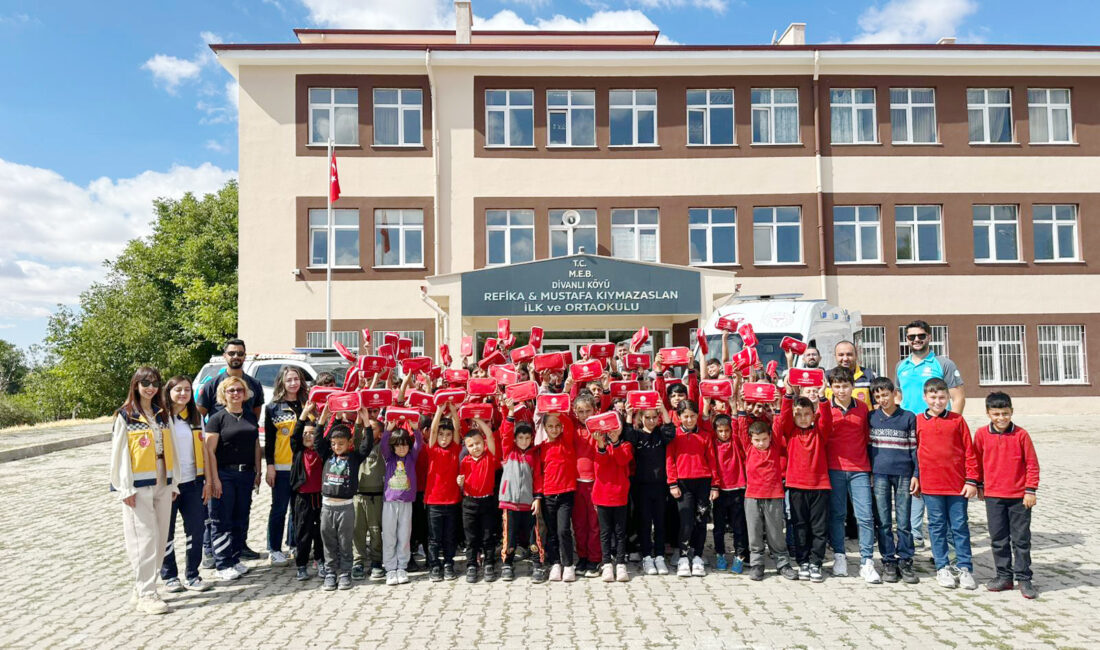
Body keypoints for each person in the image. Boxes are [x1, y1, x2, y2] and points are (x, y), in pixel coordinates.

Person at [110, 367, 182, 615]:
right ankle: (147, 594)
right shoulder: (126, 415)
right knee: (144, 540)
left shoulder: (163, 414)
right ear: (136, 385)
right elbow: (119, 454)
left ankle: (143, 586)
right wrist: (125, 487)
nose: (150, 387)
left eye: (154, 383)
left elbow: (173, 447)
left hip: (163, 480)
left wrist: (174, 482)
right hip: (138, 486)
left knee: (161, 538)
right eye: (145, 382)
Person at [895, 320, 965, 550]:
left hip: (936, 431)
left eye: (921, 336)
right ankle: (915, 533)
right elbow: (898, 396)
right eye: (911, 336)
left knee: (937, 481)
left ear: (929, 337)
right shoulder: (901, 366)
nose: (916, 340)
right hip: (909, 432)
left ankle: (946, 537)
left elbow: (958, 397)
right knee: (913, 481)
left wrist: (950, 426)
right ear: (906, 340)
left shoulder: (943, 363)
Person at [197, 339, 264, 565]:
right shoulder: (211, 384)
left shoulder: (253, 385)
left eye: (241, 353)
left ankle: (239, 547)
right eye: (232, 352)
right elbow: (199, 417)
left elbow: (254, 420)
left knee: (240, 511)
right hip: (221, 461)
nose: (236, 356)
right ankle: (210, 550)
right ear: (225, 355)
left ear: (245, 356)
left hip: (244, 462)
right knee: (216, 512)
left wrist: (258, 468)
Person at [974, 391, 1040, 599]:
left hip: (1019, 497)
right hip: (993, 496)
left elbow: (1032, 464)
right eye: (996, 414)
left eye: (1005, 413)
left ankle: (1024, 578)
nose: (1001, 418)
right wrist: (979, 485)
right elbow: (976, 462)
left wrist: (1030, 490)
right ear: (988, 414)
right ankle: (1004, 576)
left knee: (1021, 539)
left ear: (1012, 412)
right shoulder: (982, 435)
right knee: (998, 539)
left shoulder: (1021, 435)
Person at [916, 377, 979, 590]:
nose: (938, 401)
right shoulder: (917, 421)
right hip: (931, 486)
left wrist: (971, 480)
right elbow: (914, 454)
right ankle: (942, 566)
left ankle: (964, 567)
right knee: (937, 527)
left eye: (942, 397)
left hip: (957, 485)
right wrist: (916, 477)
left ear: (948, 398)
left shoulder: (957, 421)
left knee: (959, 527)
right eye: (933, 397)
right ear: (925, 397)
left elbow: (969, 452)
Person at [203, 375, 262, 582]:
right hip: (224, 474)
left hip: (245, 474)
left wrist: (258, 471)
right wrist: (214, 480)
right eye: (231, 390)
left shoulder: (249, 416)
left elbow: (255, 444)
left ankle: (235, 559)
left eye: (239, 390)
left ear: (245, 394)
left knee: (240, 518)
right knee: (221, 519)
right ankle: (223, 564)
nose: (236, 394)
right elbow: (209, 451)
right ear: (223, 394)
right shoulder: (217, 418)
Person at [824, 366, 877, 583]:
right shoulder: (825, 407)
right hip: (835, 468)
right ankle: (840, 556)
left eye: (845, 386)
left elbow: (868, 438)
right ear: (831, 388)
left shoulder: (863, 408)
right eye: (837, 386)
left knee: (865, 516)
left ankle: (867, 561)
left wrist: (871, 468)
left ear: (852, 387)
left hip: (859, 469)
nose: (841, 390)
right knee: (837, 515)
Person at [159, 375, 211, 593]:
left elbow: (205, 451)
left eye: (187, 390)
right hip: (169, 485)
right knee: (166, 532)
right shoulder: (160, 418)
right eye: (178, 389)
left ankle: (192, 574)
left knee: (196, 531)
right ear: (168, 391)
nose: (183, 394)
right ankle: (170, 575)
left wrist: (208, 481)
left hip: (194, 483)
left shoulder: (196, 417)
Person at [314, 407, 376, 591]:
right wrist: (324, 417)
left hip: (346, 508)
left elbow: (367, 444)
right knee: (329, 541)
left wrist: (366, 421)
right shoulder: (327, 455)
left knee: (345, 542)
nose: (336, 447)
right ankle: (330, 573)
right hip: (327, 507)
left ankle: (345, 574)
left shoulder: (354, 458)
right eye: (333, 444)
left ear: (349, 443)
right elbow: (318, 440)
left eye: (340, 444)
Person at [776, 383, 832, 583]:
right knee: (799, 526)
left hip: (819, 486)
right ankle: (803, 561)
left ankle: (816, 561)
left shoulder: (820, 432)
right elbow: (783, 417)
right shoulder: (790, 431)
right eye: (798, 414)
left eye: (807, 414)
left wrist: (823, 399)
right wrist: (789, 394)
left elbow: (827, 420)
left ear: (813, 414)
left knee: (818, 527)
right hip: (796, 486)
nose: (802, 418)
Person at [867, 376, 919, 584]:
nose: (882, 399)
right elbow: (868, 447)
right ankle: (888, 560)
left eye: (885, 394)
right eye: (878, 396)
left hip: (904, 474)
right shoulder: (871, 417)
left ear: (894, 393)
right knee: (884, 520)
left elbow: (915, 449)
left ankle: (905, 559)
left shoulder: (908, 417)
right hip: (879, 473)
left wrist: (916, 474)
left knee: (904, 521)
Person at [666, 399, 718, 578]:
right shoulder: (674, 435)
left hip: (703, 482)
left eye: (693, 416)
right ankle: (682, 556)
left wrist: (715, 485)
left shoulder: (705, 435)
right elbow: (670, 460)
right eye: (685, 416)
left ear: (697, 416)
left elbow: (712, 460)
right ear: (678, 417)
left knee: (701, 520)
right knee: (686, 520)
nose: (689, 420)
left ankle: (697, 556)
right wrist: (672, 483)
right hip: (683, 484)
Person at [740, 420, 796, 581]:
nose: (761, 443)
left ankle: (783, 563)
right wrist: (740, 409)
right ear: (750, 439)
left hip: (774, 495)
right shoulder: (749, 448)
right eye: (757, 440)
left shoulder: (774, 447)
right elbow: (741, 428)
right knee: (754, 532)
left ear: (770, 437)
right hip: (752, 496)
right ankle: (757, 564)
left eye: (764, 439)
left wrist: (778, 409)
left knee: (776, 532)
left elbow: (778, 426)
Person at [623, 401, 674, 576]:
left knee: (660, 522)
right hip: (641, 487)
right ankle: (646, 557)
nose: (651, 421)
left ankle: (659, 556)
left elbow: (670, 430)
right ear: (641, 418)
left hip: (660, 486)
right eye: (648, 417)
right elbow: (628, 435)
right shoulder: (637, 435)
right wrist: (629, 414)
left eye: (654, 417)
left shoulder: (661, 434)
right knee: (644, 523)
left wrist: (663, 409)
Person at [263, 365, 304, 568]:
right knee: (279, 509)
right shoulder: (273, 407)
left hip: (303, 467)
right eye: (289, 380)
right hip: (281, 467)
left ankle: (294, 544)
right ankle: (274, 549)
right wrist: (270, 466)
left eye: (296, 379)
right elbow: (269, 441)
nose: (293, 383)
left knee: (298, 509)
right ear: (282, 382)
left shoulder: (308, 404)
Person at [498, 407, 545, 582]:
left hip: (528, 503)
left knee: (534, 536)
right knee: (509, 537)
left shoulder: (534, 456)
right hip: (509, 503)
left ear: (532, 438)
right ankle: (507, 564)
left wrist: (537, 498)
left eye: (527, 438)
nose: (524, 441)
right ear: (515, 439)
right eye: (520, 438)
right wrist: (510, 415)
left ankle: (537, 565)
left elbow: (538, 478)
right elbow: (505, 435)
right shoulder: (509, 452)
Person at [534, 410, 578, 582]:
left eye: (557, 426)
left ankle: (568, 565)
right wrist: (538, 496)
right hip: (548, 495)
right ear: (544, 428)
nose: (554, 429)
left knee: (564, 530)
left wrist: (556, 411)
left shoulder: (566, 442)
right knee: (551, 532)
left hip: (566, 493)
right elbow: (538, 475)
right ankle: (555, 563)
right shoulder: (541, 448)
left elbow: (569, 424)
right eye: (550, 426)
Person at [380, 420, 423, 586]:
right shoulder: (389, 457)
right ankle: (390, 568)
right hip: (390, 502)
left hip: (406, 502)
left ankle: (402, 567)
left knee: (404, 535)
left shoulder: (412, 457)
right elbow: (384, 445)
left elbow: (418, 443)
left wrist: (415, 428)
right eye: (398, 446)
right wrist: (388, 430)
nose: (401, 449)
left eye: (405, 445)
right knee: (389, 535)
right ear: (393, 447)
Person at [591, 415, 633, 582]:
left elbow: (622, 460)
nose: (613, 431)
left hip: (620, 495)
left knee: (621, 532)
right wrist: (601, 445)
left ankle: (621, 563)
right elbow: (600, 463)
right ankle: (607, 563)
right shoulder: (598, 445)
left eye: (616, 427)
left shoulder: (626, 445)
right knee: (605, 532)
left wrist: (615, 443)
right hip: (602, 495)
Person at [425, 405, 463, 582]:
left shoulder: (455, 449)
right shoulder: (432, 449)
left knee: (449, 536)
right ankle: (434, 566)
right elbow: (433, 429)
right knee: (434, 537)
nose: (444, 438)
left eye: (447, 435)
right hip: (434, 501)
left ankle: (448, 563)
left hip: (452, 500)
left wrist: (453, 409)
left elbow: (457, 427)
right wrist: (440, 409)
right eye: (441, 435)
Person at [459, 418, 499, 583]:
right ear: (466, 448)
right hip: (469, 503)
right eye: (471, 445)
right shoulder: (465, 462)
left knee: (488, 535)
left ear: (483, 443)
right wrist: (460, 484)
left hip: (487, 502)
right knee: (471, 537)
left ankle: (489, 563)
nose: (475, 447)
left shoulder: (489, 457)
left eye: (478, 443)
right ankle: (471, 565)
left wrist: (477, 420)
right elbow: (463, 483)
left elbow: (489, 435)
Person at [288, 402, 324, 581]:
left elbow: (322, 433)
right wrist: (303, 414)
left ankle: (321, 561)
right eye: (305, 434)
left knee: (321, 532)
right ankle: (301, 565)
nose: (308, 436)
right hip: (303, 498)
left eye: (312, 433)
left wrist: (321, 417)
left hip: (321, 497)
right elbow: (295, 435)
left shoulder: (322, 451)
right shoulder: (299, 451)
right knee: (303, 531)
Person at [710, 413, 748, 574]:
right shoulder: (712, 445)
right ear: (715, 431)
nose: (724, 434)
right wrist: (714, 486)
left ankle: (740, 556)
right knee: (718, 527)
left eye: (727, 430)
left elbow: (741, 430)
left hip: (738, 490)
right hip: (719, 492)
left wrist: (735, 410)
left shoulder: (735, 441)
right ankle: (720, 554)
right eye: (720, 431)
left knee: (739, 527)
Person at [569, 394, 602, 578]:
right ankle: (582, 556)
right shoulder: (573, 428)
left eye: (588, 410)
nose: (584, 414)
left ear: (595, 410)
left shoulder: (599, 428)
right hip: (576, 483)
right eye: (580, 411)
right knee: (579, 524)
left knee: (594, 524)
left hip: (595, 482)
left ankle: (595, 558)